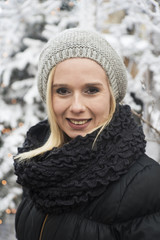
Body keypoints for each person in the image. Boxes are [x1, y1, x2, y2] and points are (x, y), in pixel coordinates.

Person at [14, 28, 160, 240]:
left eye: (91, 90)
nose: (77, 106)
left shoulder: (149, 184)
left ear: (112, 95)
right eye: (62, 91)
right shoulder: (37, 168)